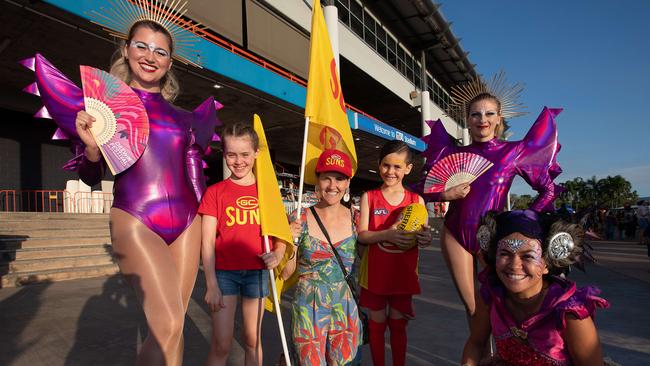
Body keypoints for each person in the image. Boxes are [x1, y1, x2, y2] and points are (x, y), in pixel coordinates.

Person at [25, 12, 220, 365]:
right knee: (170, 321)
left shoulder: (184, 118)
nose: (150, 56)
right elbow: (88, 175)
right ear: (126, 51)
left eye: (160, 52)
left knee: (171, 332)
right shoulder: (106, 109)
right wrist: (91, 147)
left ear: (170, 62)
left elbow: (196, 180)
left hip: (187, 222)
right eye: (141, 46)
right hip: (135, 219)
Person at [416, 91, 562, 317]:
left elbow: (548, 189)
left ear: (498, 118)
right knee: (473, 309)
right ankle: (482, 352)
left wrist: (526, 221)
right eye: (475, 114)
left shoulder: (513, 152)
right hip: (455, 234)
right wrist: (446, 194)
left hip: (495, 237)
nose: (482, 119)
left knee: (503, 306)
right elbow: (419, 190)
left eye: (489, 113)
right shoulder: (453, 153)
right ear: (468, 120)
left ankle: (503, 352)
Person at [462, 210, 609, 365]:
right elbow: (476, 344)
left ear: (547, 264)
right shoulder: (491, 298)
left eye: (528, 256)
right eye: (505, 253)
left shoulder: (570, 314)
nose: (514, 265)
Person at [199, 123, 286, 366]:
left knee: (252, 340)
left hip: (257, 274)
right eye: (231, 154)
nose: (238, 161)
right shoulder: (215, 192)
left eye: (245, 154)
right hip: (224, 275)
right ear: (224, 154)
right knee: (221, 343)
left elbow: (281, 236)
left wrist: (278, 254)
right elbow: (206, 243)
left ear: (256, 154)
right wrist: (211, 284)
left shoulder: (267, 193)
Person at [280, 149, 362, 365]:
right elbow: (287, 272)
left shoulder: (357, 220)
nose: (332, 186)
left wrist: (416, 237)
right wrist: (290, 240)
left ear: (347, 182)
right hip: (309, 308)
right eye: (326, 178)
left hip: (346, 307)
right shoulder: (299, 219)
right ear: (317, 179)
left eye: (339, 179)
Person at [357, 141, 433, 366]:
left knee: (398, 325)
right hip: (376, 273)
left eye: (397, 167)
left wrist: (425, 238)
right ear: (379, 165)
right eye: (386, 165)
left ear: (408, 168)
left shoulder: (416, 201)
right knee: (377, 324)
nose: (391, 171)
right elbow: (362, 235)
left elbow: (422, 235)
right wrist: (386, 235)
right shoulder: (369, 197)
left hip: (402, 274)